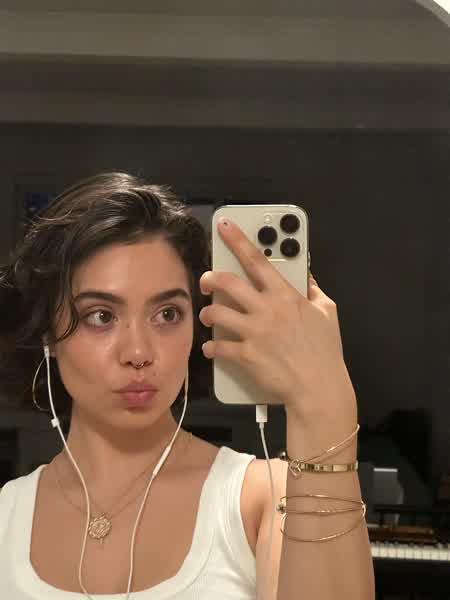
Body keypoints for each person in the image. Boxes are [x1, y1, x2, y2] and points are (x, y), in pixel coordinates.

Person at [0, 172, 375, 599]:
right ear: (48, 332)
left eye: (167, 315)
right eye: (101, 316)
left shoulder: (267, 497)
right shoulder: (6, 516)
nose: (138, 352)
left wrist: (323, 400)